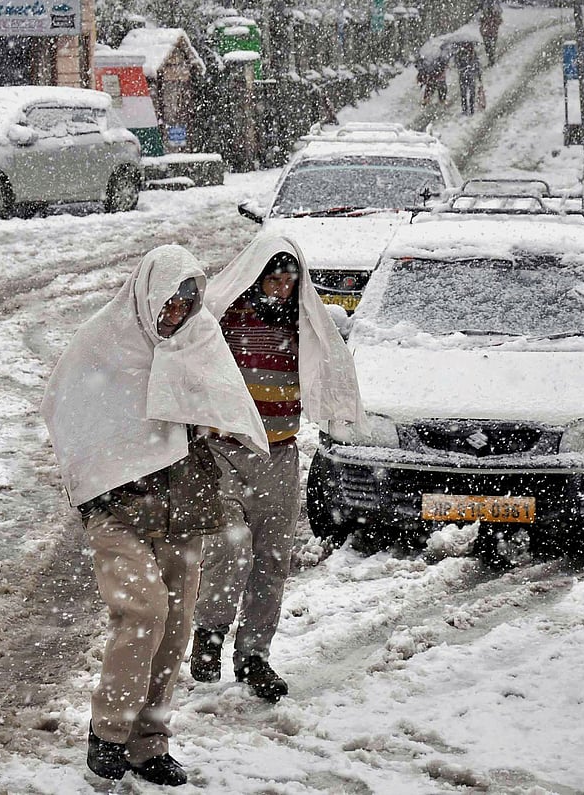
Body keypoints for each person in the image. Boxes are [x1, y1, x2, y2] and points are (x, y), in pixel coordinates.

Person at [41, 246, 269, 786]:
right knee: (142, 610)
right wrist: (100, 478)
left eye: (190, 301)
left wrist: (210, 424)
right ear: (149, 293)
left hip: (184, 505)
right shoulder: (104, 343)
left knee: (175, 627)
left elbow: (224, 404)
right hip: (117, 508)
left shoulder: (198, 340)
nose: (178, 312)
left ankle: (150, 744)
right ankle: (109, 734)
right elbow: (66, 411)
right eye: (171, 300)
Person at [190, 234, 365, 702]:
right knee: (232, 544)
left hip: (280, 454)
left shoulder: (304, 325)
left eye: (290, 280)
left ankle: (253, 656)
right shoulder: (223, 321)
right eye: (274, 278)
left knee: (271, 558)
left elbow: (329, 368)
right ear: (256, 277)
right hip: (223, 450)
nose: (282, 288)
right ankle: (208, 636)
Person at [454, 40, 483, 115]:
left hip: (464, 76)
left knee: (465, 93)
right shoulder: (471, 54)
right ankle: (470, 108)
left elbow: (457, 64)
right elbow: (477, 65)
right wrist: (478, 74)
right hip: (469, 75)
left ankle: (466, 109)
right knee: (470, 93)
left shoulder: (460, 54)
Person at [480, 0, 503, 65]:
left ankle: (491, 58)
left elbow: (499, 21)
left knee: (489, 46)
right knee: (489, 46)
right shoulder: (485, 14)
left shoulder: (494, 11)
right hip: (489, 32)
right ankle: (491, 58)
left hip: (489, 32)